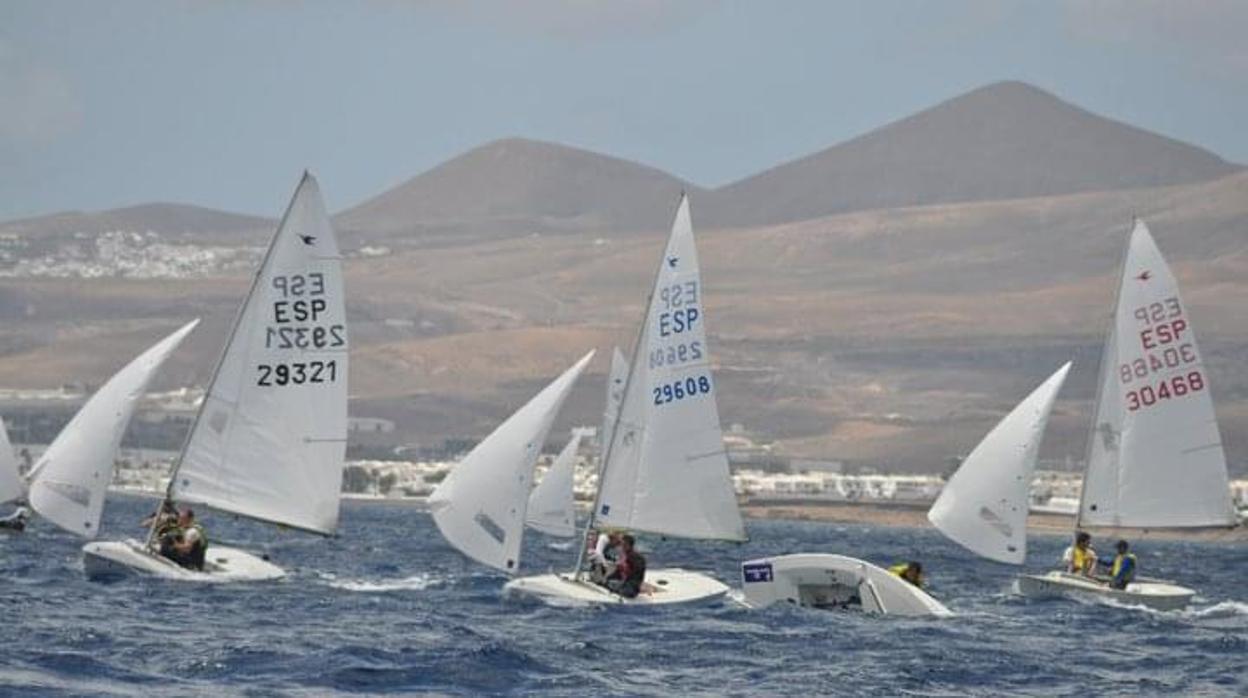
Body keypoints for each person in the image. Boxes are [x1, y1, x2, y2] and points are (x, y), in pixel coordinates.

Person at [604, 534, 646, 599]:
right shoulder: (624, 556)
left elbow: (637, 575)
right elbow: (619, 572)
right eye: (621, 544)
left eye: (624, 544)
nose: (622, 546)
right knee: (605, 584)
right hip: (623, 584)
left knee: (616, 589)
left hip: (631, 588)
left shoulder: (637, 558)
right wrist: (607, 579)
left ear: (629, 545)